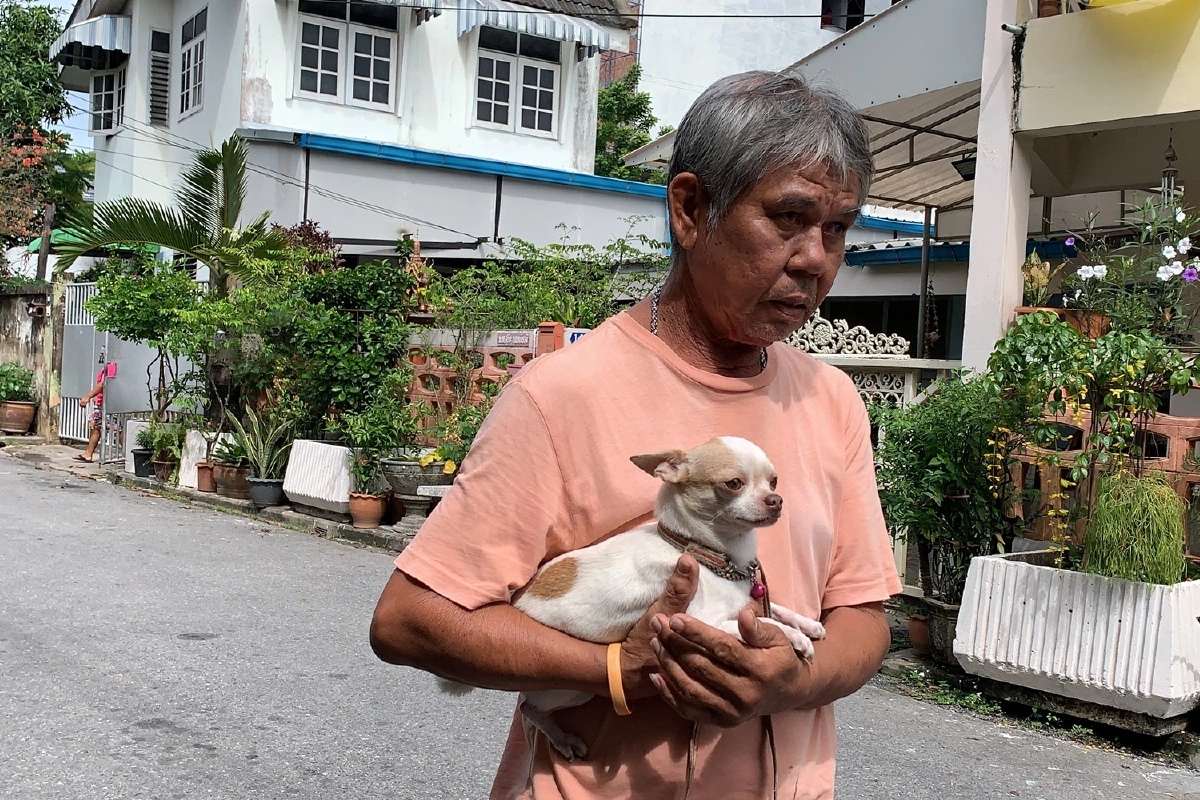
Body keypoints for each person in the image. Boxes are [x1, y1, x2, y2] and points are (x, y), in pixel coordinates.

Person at [370, 71, 901, 800]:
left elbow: (864, 621)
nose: (816, 257)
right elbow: (409, 622)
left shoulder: (832, 399)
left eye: (837, 228)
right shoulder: (560, 396)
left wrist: (787, 680)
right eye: (788, 219)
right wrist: (619, 669)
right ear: (690, 209)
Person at [75, 366, 106, 463]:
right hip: (103, 403)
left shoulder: (112, 365)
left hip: (108, 403)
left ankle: (129, 456)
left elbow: (103, 384)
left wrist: (88, 397)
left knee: (119, 429)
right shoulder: (107, 365)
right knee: (95, 426)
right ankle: (88, 454)